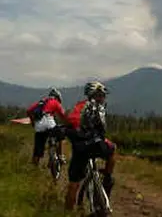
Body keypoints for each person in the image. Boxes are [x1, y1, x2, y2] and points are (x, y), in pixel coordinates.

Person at [64, 81, 116, 211]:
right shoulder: (99, 108)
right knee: (112, 150)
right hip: (96, 144)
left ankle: (67, 212)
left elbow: (71, 124)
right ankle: (107, 179)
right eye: (101, 95)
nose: (103, 98)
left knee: (74, 183)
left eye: (103, 95)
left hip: (81, 148)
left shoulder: (79, 107)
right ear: (95, 95)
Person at [26, 87, 67, 166]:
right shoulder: (55, 102)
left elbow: (28, 111)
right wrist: (68, 124)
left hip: (38, 125)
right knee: (61, 136)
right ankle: (61, 156)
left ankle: (34, 168)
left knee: (38, 149)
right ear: (58, 98)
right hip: (48, 122)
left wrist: (33, 122)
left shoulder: (41, 102)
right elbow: (63, 116)